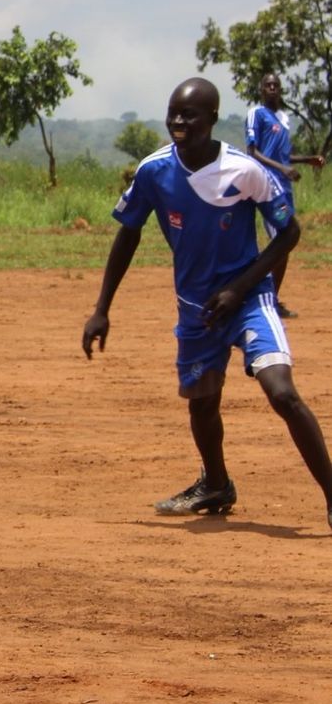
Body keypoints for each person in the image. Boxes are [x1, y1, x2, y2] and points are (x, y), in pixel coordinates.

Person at [82, 77, 332, 532]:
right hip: (195, 307)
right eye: (173, 112)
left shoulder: (244, 170)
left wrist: (242, 288)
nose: (179, 121)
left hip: (248, 297)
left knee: (282, 393)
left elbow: (289, 233)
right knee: (201, 403)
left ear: (213, 119)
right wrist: (102, 307)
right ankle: (216, 484)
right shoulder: (154, 171)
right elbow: (128, 232)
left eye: (190, 114)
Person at [245, 73, 323, 317]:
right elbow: (253, 152)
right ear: (261, 89)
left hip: (284, 187)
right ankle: (262, 298)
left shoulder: (284, 119)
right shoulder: (256, 114)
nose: (271, 88)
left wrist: (306, 160)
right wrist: (281, 169)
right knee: (283, 238)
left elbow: (282, 156)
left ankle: (271, 299)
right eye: (267, 84)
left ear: (280, 90)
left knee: (285, 243)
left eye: (275, 85)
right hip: (266, 186)